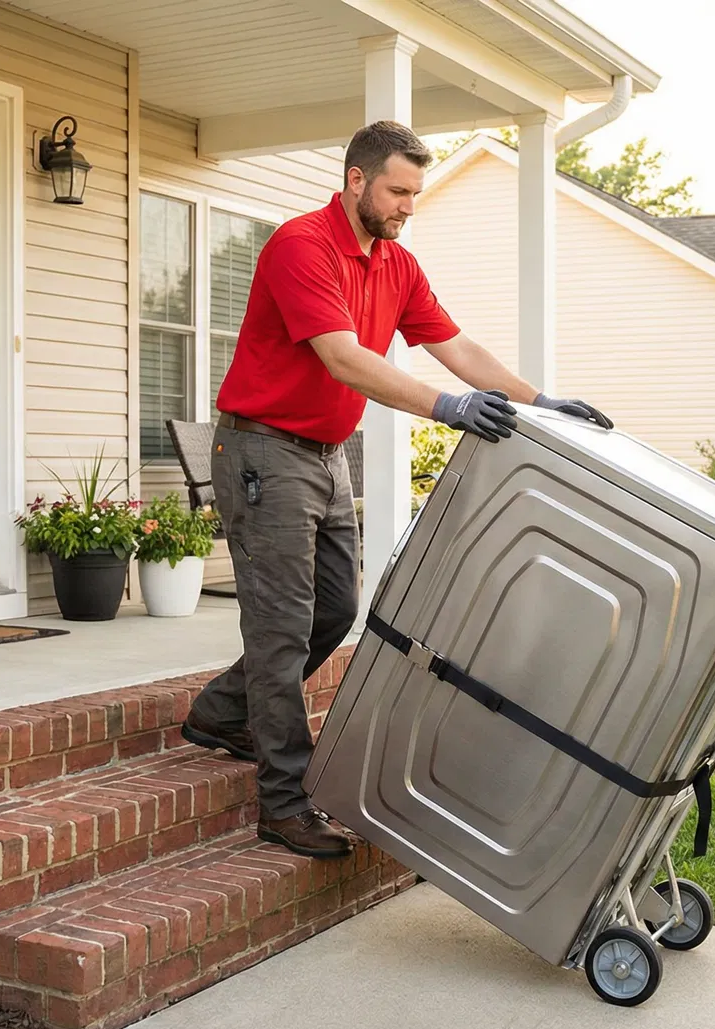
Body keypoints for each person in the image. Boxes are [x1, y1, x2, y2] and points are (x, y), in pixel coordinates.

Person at [180, 120, 612, 861]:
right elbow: (343, 358)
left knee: (338, 608)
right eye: (399, 190)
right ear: (356, 180)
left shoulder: (396, 265)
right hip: (262, 451)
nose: (410, 205)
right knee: (282, 631)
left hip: (322, 455)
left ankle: (222, 712)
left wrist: (540, 402)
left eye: (417, 192)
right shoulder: (301, 247)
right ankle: (284, 803)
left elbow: (457, 346)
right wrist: (446, 408)